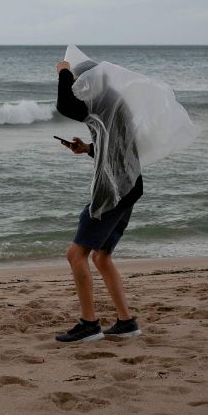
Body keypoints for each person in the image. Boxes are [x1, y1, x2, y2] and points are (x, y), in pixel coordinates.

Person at [54, 59, 143, 342]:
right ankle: (126, 322)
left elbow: (65, 105)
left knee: (75, 254)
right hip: (130, 186)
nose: (77, 89)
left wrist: (63, 72)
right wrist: (88, 149)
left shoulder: (101, 102)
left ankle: (89, 324)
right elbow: (118, 146)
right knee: (101, 256)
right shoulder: (113, 102)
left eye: (78, 83)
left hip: (114, 191)